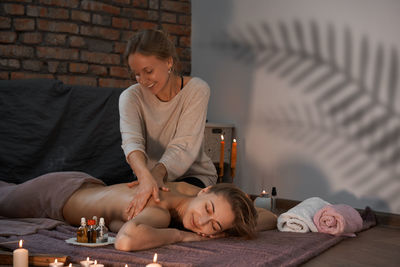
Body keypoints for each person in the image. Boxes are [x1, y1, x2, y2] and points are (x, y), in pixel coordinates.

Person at [0, 172, 277, 251]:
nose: (202, 221)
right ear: (206, 191)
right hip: (53, 196)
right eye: (208, 209)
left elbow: (268, 218)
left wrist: (227, 226)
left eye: (213, 226)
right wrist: (181, 238)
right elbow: (127, 241)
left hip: (83, 185)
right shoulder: (160, 213)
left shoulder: (190, 193)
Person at [119, 29, 217, 220]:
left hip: (192, 176)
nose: (143, 81)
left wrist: (157, 174)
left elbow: (184, 145)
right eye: (136, 75)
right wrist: (144, 176)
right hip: (149, 178)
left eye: (148, 71)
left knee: (171, 211)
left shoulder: (197, 90)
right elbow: (132, 142)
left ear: (169, 61)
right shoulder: (130, 97)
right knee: (137, 210)